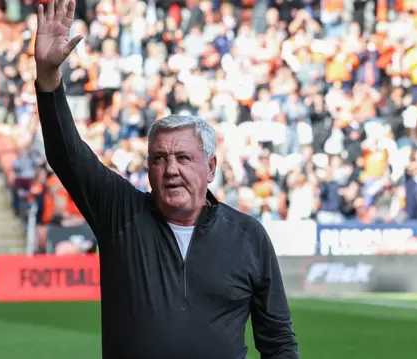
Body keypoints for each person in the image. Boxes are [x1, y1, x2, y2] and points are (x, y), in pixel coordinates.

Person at [33, 1, 299, 358]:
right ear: (148, 168)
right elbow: (69, 156)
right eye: (159, 159)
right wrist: (49, 78)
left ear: (211, 167)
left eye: (183, 158)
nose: (171, 169)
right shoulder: (121, 215)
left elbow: (278, 341)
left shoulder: (248, 237)